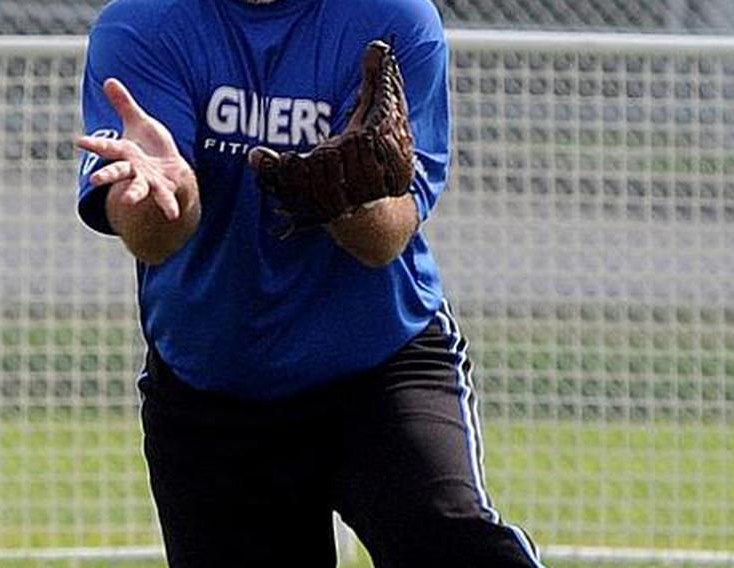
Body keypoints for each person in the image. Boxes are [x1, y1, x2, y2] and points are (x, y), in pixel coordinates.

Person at [76, 0, 546, 566]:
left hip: (376, 362)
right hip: (213, 382)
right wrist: (165, 196)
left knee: (452, 543)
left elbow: (384, 241)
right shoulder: (144, 23)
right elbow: (154, 238)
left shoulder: (391, 17)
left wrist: (348, 195)